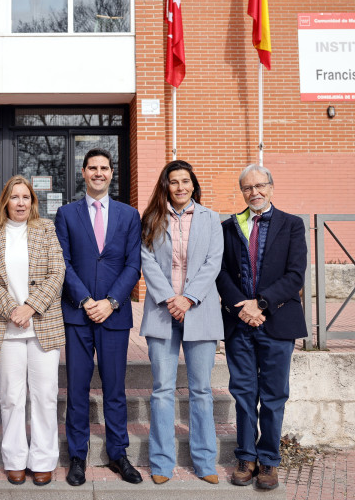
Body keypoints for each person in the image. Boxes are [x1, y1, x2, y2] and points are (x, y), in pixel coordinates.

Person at [54, 147, 143, 486]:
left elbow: (133, 264)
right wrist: (86, 300)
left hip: (115, 316)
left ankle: (118, 453)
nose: (98, 173)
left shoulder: (128, 215)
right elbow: (63, 262)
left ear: (111, 172)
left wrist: (112, 302)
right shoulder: (66, 213)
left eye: (104, 168)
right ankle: (78, 456)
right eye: (92, 168)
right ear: (83, 172)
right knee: (77, 389)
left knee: (115, 389)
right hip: (78, 315)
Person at [216, 164, 307, 490]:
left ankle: (269, 461)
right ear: (242, 192)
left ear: (271, 187)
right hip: (240, 324)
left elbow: (295, 275)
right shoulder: (229, 226)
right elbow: (221, 273)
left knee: (273, 396)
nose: (254, 192)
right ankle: (246, 457)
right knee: (243, 394)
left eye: (260, 185)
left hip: (277, 322)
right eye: (247, 187)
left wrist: (262, 304)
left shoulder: (292, 225)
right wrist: (243, 307)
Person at [0, 175, 66, 486]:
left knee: (45, 396)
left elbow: (58, 272)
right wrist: (11, 309)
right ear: (5, 201)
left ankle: (42, 460)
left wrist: (30, 307)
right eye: (15, 197)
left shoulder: (46, 230)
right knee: (12, 397)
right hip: (5, 327)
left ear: (33, 202)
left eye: (26, 197)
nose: (21, 202)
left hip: (43, 324)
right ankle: (14, 459)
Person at [139, 160, 224, 485]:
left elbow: (212, 262)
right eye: (173, 182)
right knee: (162, 390)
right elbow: (146, 261)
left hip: (199, 311)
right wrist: (170, 299)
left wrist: (188, 298)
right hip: (163, 312)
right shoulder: (151, 219)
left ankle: (205, 462)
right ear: (165, 186)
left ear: (193, 184)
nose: (179, 187)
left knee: (201, 389)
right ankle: (161, 462)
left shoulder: (211, 219)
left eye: (185, 181)